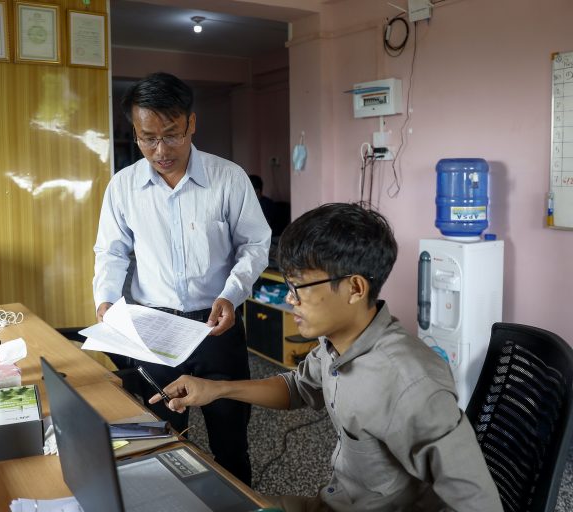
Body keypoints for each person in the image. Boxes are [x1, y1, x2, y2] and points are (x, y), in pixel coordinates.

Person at [149, 202, 503, 511]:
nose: (290, 299)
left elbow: (477, 501)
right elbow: (297, 388)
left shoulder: (409, 382)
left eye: (298, 288)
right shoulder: (337, 343)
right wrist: (215, 389)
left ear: (354, 288)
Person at [93, 72, 271, 485]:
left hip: (216, 326)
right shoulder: (123, 187)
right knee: (160, 436)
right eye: (147, 137)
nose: (160, 150)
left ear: (191, 123)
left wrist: (231, 293)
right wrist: (104, 299)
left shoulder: (228, 178)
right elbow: (112, 251)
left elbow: (255, 245)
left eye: (171, 135)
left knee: (230, 440)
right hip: (153, 328)